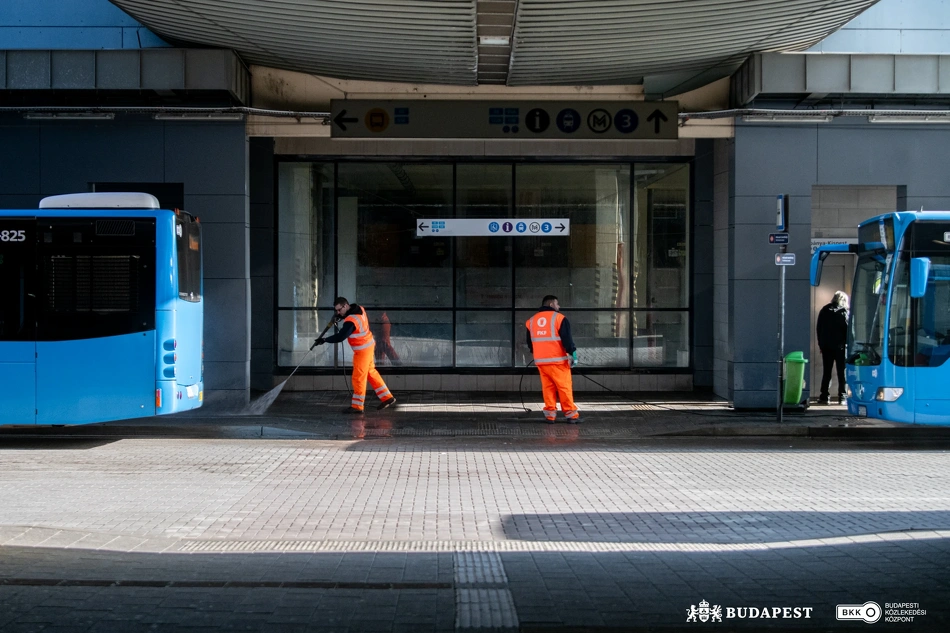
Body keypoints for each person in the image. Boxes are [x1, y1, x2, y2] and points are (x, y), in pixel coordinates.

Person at [314, 297, 397, 414]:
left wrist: (324, 340)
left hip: (362, 350)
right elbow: (349, 317)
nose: (338, 312)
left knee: (358, 377)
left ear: (345, 306)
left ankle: (357, 406)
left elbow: (341, 336)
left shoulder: (351, 321)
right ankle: (387, 397)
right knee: (370, 372)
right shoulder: (359, 309)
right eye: (336, 311)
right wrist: (341, 317)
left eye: (339, 310)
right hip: (368, 345)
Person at [525, 295, 579, 423]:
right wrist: (572, 353)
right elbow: (567, 339)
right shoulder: (559, 318)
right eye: (557, 304)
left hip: (541, 361)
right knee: (564, 387)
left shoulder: (531, 321)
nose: (559, 306)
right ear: (551, 305)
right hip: (557, 360)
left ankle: (550, 415)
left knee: (547, 388)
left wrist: (538, 353)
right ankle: (571, 414)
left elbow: (530, 342)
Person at [816, 290, 849, 404]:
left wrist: (821, 344)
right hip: (840, 347)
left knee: (827, 372)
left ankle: (824, 396)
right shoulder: (843, 312)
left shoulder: (824, 310)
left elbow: (819, 328)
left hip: (826, 347)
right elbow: (848, 330)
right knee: (842, 372)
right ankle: (842, 397)